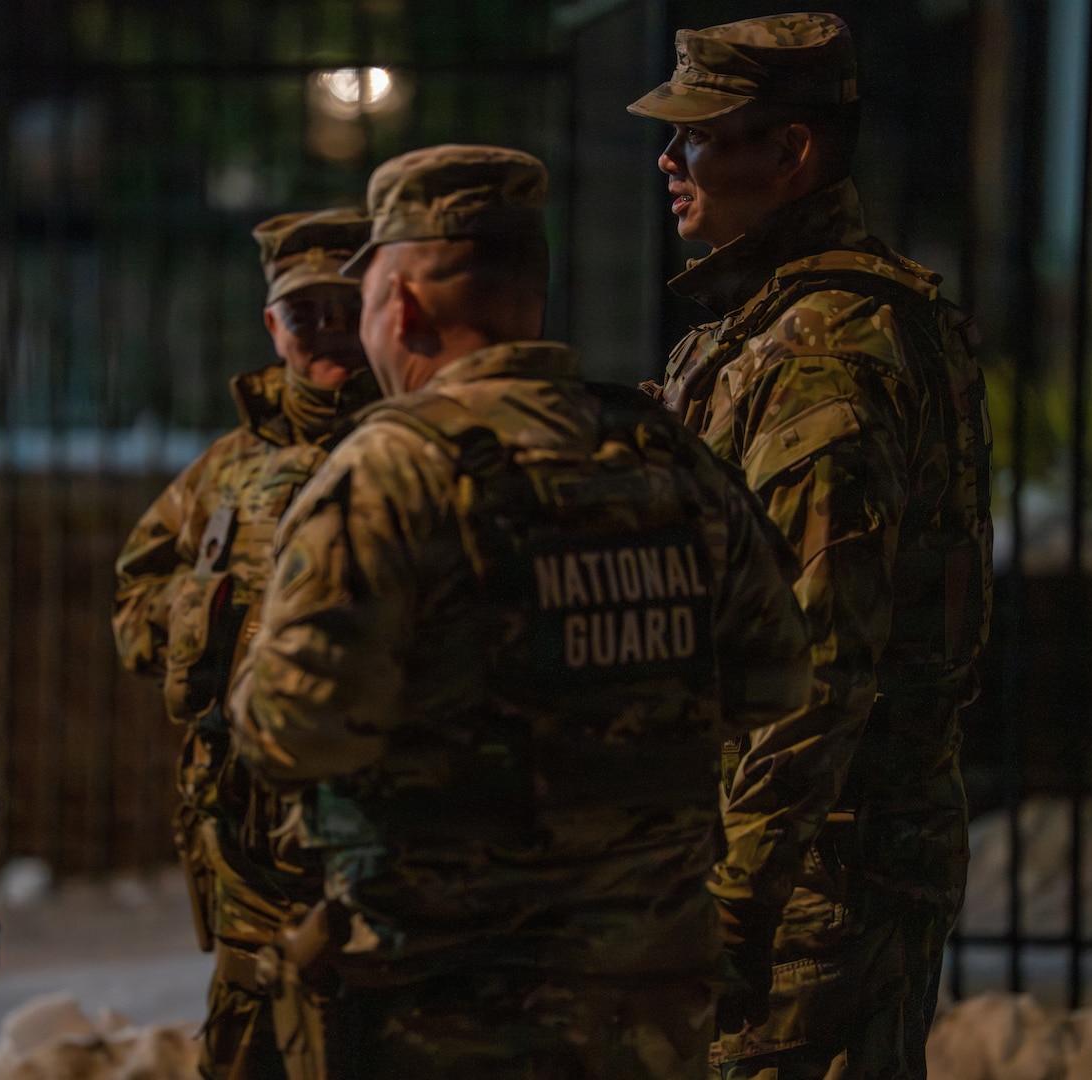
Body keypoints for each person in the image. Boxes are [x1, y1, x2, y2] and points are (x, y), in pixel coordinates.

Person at [229, 144, 814, 1080]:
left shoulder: (393, 472)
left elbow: (296, 734)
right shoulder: (667, 458)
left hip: (451, 1002)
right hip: (647, 993)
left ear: (404, 307)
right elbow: (775, 677)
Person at [627, 13, 993, 1078]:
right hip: (804, 856)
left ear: (790, 155)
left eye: (699, 133)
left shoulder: (826, 349)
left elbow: (816, 660)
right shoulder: (773, 324)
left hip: (814, 874)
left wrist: (737, 905)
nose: (667, 157)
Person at [113, 207, 379, 1080]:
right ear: (274, 326)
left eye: (347, 308)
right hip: (248, 856)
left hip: (383, 848)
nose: (328, 333)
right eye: (306, 315)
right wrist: (207, 624)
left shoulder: (411, 448)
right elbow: (135, 601)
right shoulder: (227, 468)